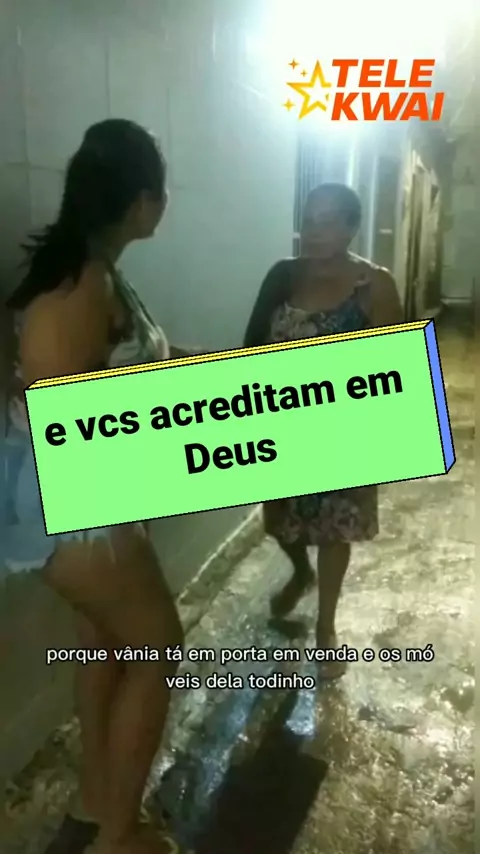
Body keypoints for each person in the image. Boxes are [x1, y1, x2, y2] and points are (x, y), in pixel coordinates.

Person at [5, 120, 185, 854]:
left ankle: (95, 801)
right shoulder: (82, 283)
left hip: (91, 495)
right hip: (75, 502)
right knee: (157, 646)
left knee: (104, 643)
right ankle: (119, 836)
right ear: (142, 201)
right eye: (161, 193)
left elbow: (116, 371)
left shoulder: (94, 270)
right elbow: (57, 408)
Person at [243, 182, 403, 679]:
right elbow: (251, 345)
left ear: (352, 227)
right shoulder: (283, 276)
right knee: (278, 520)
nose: (314, 231)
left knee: (337, 528)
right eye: (309, 220)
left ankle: (325, 628)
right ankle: (300, 572)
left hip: (343, 431)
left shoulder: (374, 286)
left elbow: (393, 366)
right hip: (281, 426)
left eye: (328, 220)